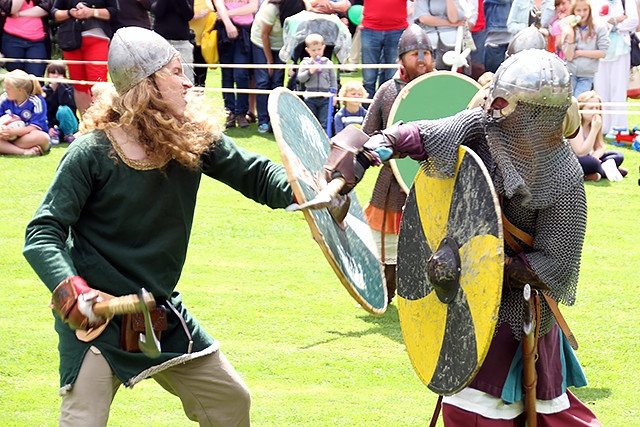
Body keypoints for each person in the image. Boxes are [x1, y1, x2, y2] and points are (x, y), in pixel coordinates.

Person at [22, 27, 294, 426]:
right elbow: (42, 233)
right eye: (176, 72)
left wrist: (307, 190)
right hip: (97, 325)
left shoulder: (191, 138)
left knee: (228, 402)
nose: (188, 82)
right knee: (83, 420)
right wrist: (73, 293)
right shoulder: (92, 152)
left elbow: (256, 174)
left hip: (157, 314)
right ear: (146, 86)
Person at [325, 49, 601, 426]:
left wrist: (483, 266)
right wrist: (371, 148)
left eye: (509, 104)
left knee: (533, 417)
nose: (496, 109)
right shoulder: (482, 127)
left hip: (515, 315)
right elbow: (423, 135)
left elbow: (554, 265)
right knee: (470, 414)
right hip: (463, 310)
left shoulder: (564, 177)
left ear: (540, 113)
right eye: (496, 99)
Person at [361, 24, 434, 304]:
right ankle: (382, 295)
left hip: (430, 180)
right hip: (392, 182)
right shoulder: (387, 91)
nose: (422, 59)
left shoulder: (438, 87)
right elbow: (368, 135)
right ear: (401, 59)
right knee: (387, 251)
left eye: (426, 53)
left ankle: (423, 297)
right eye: (415, 53)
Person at [51, 0, 119, 116]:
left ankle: (102, 121)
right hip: (71, 39)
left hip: (97, 37)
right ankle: (86, 124)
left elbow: (113, 12)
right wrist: (70, 13)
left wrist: (92, 12)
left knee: (98, 83)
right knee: (78, 84)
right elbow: (54, 13)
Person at [250, 0, 306, 133]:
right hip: (261, 43)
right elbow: (264, 35)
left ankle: (275, 120)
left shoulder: (300, 7)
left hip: (280, 47)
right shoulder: (271, 9)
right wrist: (269, 62)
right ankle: (263, 120)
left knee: (277, 82)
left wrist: (290, 61)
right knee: (263, 80)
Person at [591, 0, 638, 138]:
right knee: (601, 88)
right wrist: (614, 20)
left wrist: (614, 24)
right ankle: (603, 126)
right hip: (600, 49)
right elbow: (594, 22)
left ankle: (618, 127)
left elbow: (633, 21)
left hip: (621, 49)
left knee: (618, 89)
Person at [213, 0, 258, 128]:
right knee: (227, 74)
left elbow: (252, 7)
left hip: (245, 32)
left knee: (241, 73)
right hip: (225, 31)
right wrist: (228, 24)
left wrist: (226, 13)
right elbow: (219, 5)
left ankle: (241, 113)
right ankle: (230, 112)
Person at [570, 90, 626, 181]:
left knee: (617, 155)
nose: (595, 111)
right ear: (581, 109)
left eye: (597, 108)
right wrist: (594, 130)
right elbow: (580, 153)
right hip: (574, 160)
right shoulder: (576, 125)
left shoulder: (594, 123)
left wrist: (596, 156)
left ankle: (598, 173)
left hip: (589, 157)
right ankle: (609, 171)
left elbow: (600, 146)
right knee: (592, 163)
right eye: (591, 108)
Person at [359, 0, 409, 99]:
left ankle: (387, 109)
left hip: (397, 29)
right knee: (369, 77)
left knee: (392, 76)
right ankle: (368, 111)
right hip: (370, 29)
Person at [561, 0, 609, 97]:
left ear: (589, 10)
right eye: (578, 10)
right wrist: (570, 36)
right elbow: (569, 57)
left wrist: (580, 53)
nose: (582, 13)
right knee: (569, 102)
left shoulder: (599, 27)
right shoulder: (569, 28)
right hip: (570, 72)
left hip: (587, 74)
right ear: (573, 11)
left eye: (585, 10)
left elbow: (603, 52)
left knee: (579, 100)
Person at [412, 0, 477, 70]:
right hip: (431, 44)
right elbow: (424, 19)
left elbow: (454, 19)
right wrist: (449, 24)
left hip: (454, 43)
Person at [0, 69, 50, 155]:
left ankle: (7, 148)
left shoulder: (36, 101)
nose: (5, 90)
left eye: (8, 88)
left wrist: (14, 132)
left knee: (43, 137)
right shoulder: (4, 98)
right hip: (6, 137)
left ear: (20, 90)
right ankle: (25, 152)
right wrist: (3, 131)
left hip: (27, 137)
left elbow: (35, 127)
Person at [0, 0, 53, 78]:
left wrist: (19, 14)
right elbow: (12, 9)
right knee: (15, 79)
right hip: (11, 39)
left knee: (36, 78)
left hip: (38, 41)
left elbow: (46, 8)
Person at [297, 33, 338, 131]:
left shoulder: (328, 63)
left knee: (325, 121)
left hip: (325, 97)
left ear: (323, 48)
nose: (317, 53)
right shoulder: (305, 63)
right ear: (307, 50)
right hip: (310, 97)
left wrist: (334, 95)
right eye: (313, 50)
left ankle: (325, 142)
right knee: (310, 121)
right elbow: (300, 78)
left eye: (319, 49)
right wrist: (310, 71)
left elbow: (333, 80)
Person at [152, 0, 195, 84]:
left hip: (182, 41)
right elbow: (157, 11)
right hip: (161, 41)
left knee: (187, 78)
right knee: (160, 77)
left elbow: (188, 15)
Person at [42, 60, 78, 143]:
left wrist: (60, 86)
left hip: (69, 122)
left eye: (59, 74)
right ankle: (56, 134)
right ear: (48, 75)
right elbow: (44, 112)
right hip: (52, 124)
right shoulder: (43, 92)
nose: (55, 76)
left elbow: (68, 105)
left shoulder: (68, 88)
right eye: (53, 73)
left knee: (63, 109)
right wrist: (49, 127)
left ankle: (69, 134)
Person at [190, 0, 215, 88]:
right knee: (189, 75)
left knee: (201, 77)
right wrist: (196, 16)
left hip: (205, 41)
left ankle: (199, 98)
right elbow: (178, 15)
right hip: (189, 41)